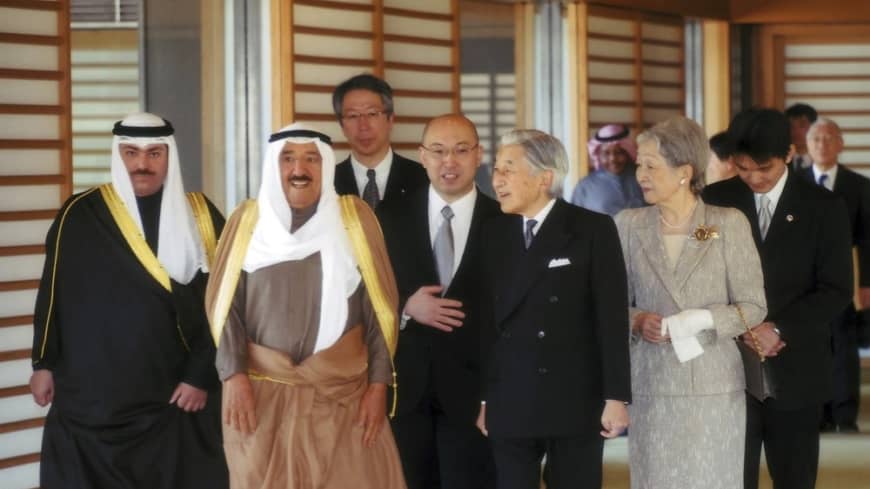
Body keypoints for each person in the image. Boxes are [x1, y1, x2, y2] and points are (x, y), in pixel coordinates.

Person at [29, 112, 228, 489]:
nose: (142, 164)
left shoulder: (200, 216)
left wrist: (201, 374)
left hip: (176, 396)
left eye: (155, 153)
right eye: (131, 153)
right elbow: (51, 293)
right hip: (92, 400)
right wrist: (43, 361)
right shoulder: (79, 213)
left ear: (169, 156)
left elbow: (225, 304)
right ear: (116, 156)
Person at [207, 122, 406, 489]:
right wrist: (233, 376)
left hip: (343, 393)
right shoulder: (246, 221)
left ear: (326, 165)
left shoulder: (354, 219)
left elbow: (382, 310)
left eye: (311, 158)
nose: (300, 169)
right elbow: (223, 306)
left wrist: (379, 386)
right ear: (273, 166)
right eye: (289, 159)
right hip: (261, 395)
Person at [614, 115, 768, 489]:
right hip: (651, 384)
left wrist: (702, 318)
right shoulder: (628, 224)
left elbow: (753, 306)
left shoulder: (727, 222)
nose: (641, 175)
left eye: (651, 165)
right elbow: (608, 304)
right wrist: (636, 320)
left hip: (714, 386)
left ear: (685, 171)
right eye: (639, 165)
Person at [704, 108, 853, 489]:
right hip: (727, 369)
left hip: (795, 366)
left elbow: (835, 289)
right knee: (730, 478)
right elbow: (700, 279)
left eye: (764, 168)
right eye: (743, 166)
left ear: (788, 154)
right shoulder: (714, 200)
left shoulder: (823, 206)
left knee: (795, 477)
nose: (753, 177)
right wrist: (741, 325)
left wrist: (778, 328)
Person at [478, 129, 631, 489]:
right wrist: (484, 398)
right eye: (497, 170)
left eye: (508, 170)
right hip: (510, 396)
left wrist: (616, 397)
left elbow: (610, 318)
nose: (497, 180)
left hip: (574, 398)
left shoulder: (592, 228)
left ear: (545, 178)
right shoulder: (493, 233)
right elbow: (486, 325)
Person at [377, 114, 500, 489]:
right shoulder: (388, 218)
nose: (450, 161)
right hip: (405, 391)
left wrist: (496, 395)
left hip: (475, 395)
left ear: (478, 155)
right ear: (422, 156)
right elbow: (363, 294)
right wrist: (404, 308)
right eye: (439, 151)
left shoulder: (504, 222)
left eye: (461, 151)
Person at [800, 118, 870, 433]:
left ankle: (844, 413)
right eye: (816, 139)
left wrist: (866, 283)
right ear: (807, 145)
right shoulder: (794, 182)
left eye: (830, 138)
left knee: (844, 343)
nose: (823, 144)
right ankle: (818, 412)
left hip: (847, 277)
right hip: (803, 281)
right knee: (811, 345)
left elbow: (868, 239)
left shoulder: (859, 186)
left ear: (840, 144)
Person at [332, 73, 428, 208]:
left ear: (390, 119)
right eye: (353, 116)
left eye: (372, 114)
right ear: (341, 125)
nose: (363, 126)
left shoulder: (423, 179)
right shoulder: (328, 182)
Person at [570, 123, 645, 216]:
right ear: (599, 155)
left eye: (618, 152)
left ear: (627, 152)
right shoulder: (585, 187)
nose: (612, 159)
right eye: (606, 153)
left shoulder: (644, 180)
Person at [785, 103, 818, 172]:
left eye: (802, 125)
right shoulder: (781, 161)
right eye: (791, 126)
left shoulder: (822, 159)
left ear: (814, 127)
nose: (796, 131)